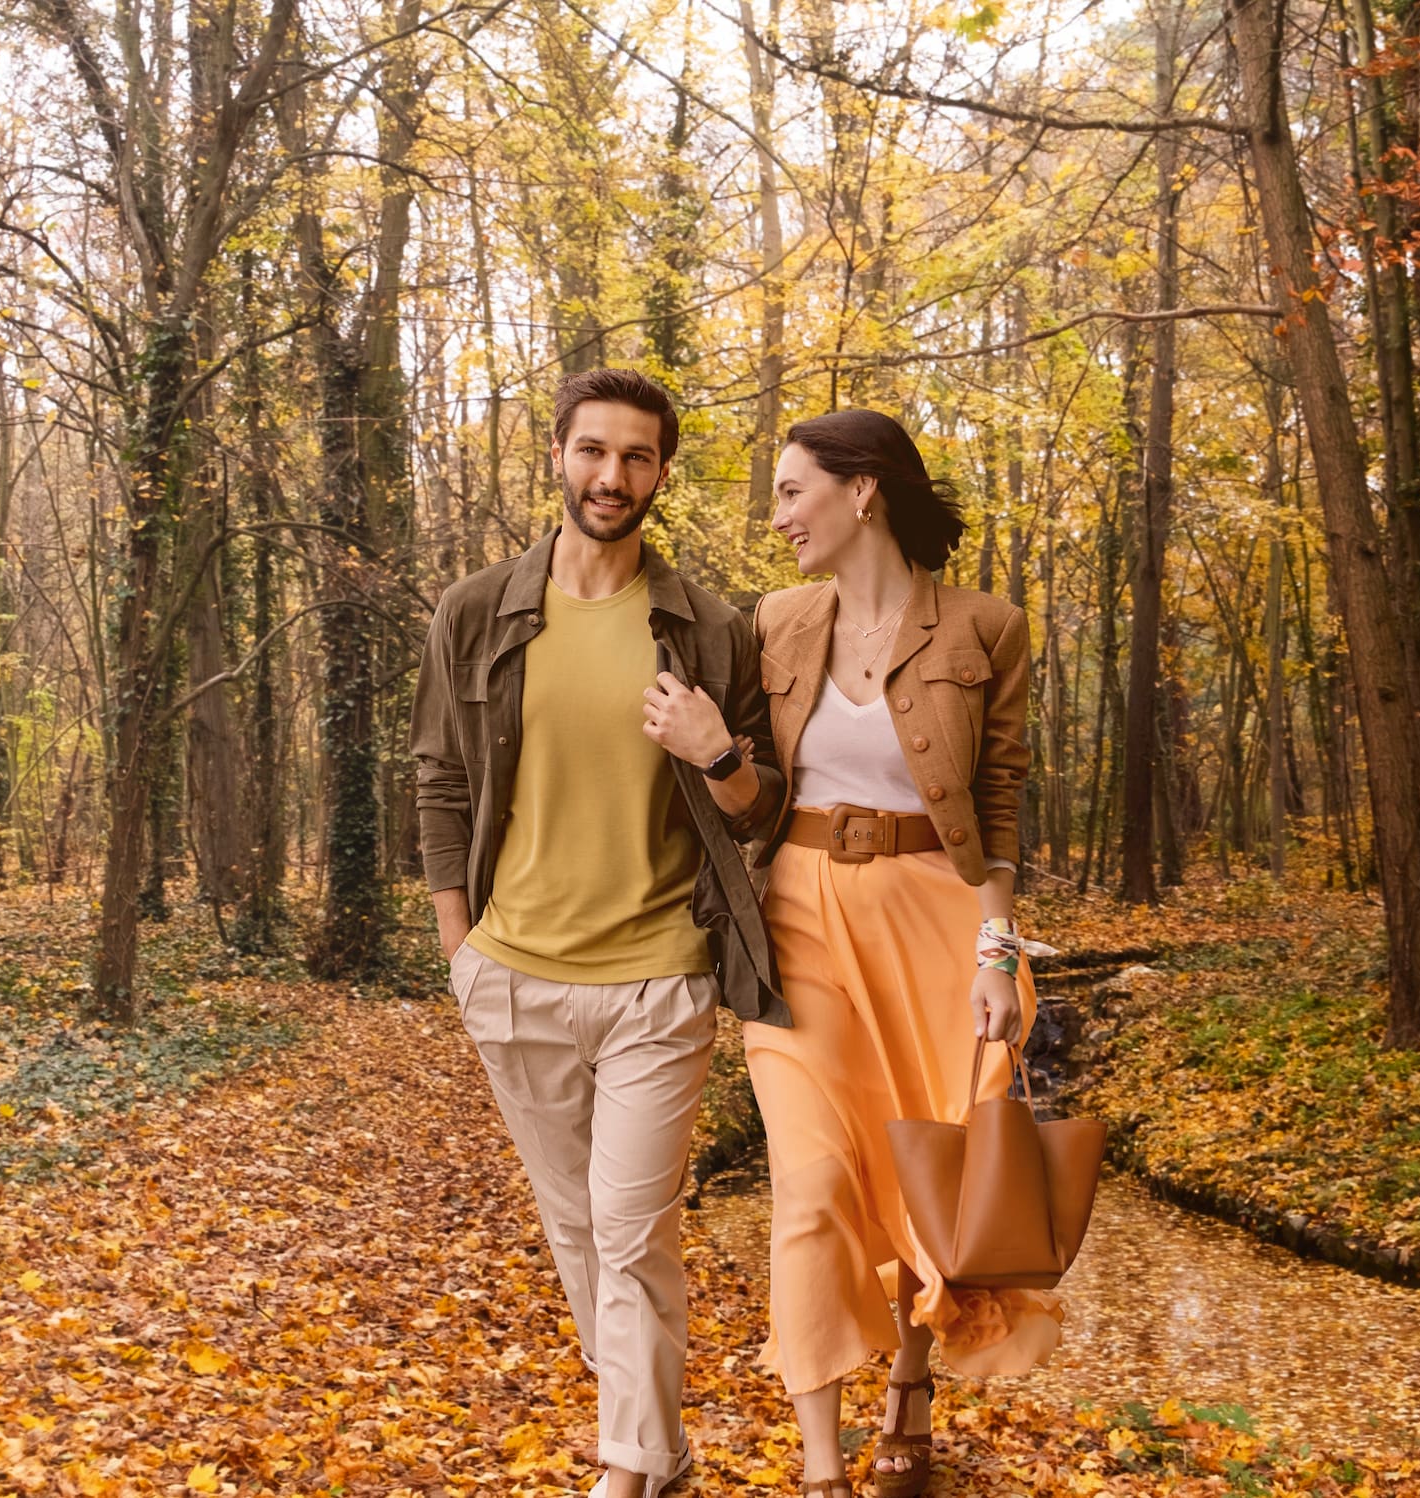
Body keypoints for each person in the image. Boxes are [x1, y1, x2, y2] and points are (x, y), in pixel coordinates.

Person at [410, 367, 788, 1498]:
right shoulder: (477, 611)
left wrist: (716, 749)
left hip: (655, 981)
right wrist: (458, 948)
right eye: (592, 451)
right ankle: (663, 1453)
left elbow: (761, 804)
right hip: (512, 977)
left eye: (635, 457)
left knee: (630, 1233)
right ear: (558, 455)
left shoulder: (707, 628)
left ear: (660, 472)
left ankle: (622, 1472)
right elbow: (437, 780)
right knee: (577, 1234)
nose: (610, 476)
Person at [744, 409, 1057, 1498]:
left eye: (792, 491)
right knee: (812, 1180)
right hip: (798, 913)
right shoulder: (774, 622)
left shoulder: (987, 627)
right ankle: (821, 1468)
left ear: (861, 489)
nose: (776, 514)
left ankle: (910, 1383)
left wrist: (995, 947)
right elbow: (744, 783)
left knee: (930, 1174)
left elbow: (1002, 801)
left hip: (939, 914)